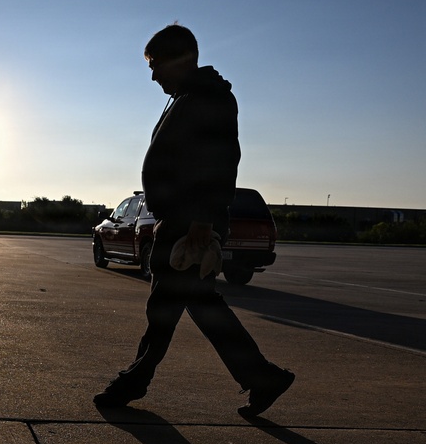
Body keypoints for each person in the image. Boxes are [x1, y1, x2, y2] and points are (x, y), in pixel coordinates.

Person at [94, 24, 294, 418]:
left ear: (181, 59)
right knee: (199, 304)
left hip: (192, 222)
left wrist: (203, 218)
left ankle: (135, 381)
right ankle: (261, 377)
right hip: (183, 218)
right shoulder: (188, 97)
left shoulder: (210, 97)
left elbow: (221, 160)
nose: (153, 75)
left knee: (166, 306)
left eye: (156, 65)